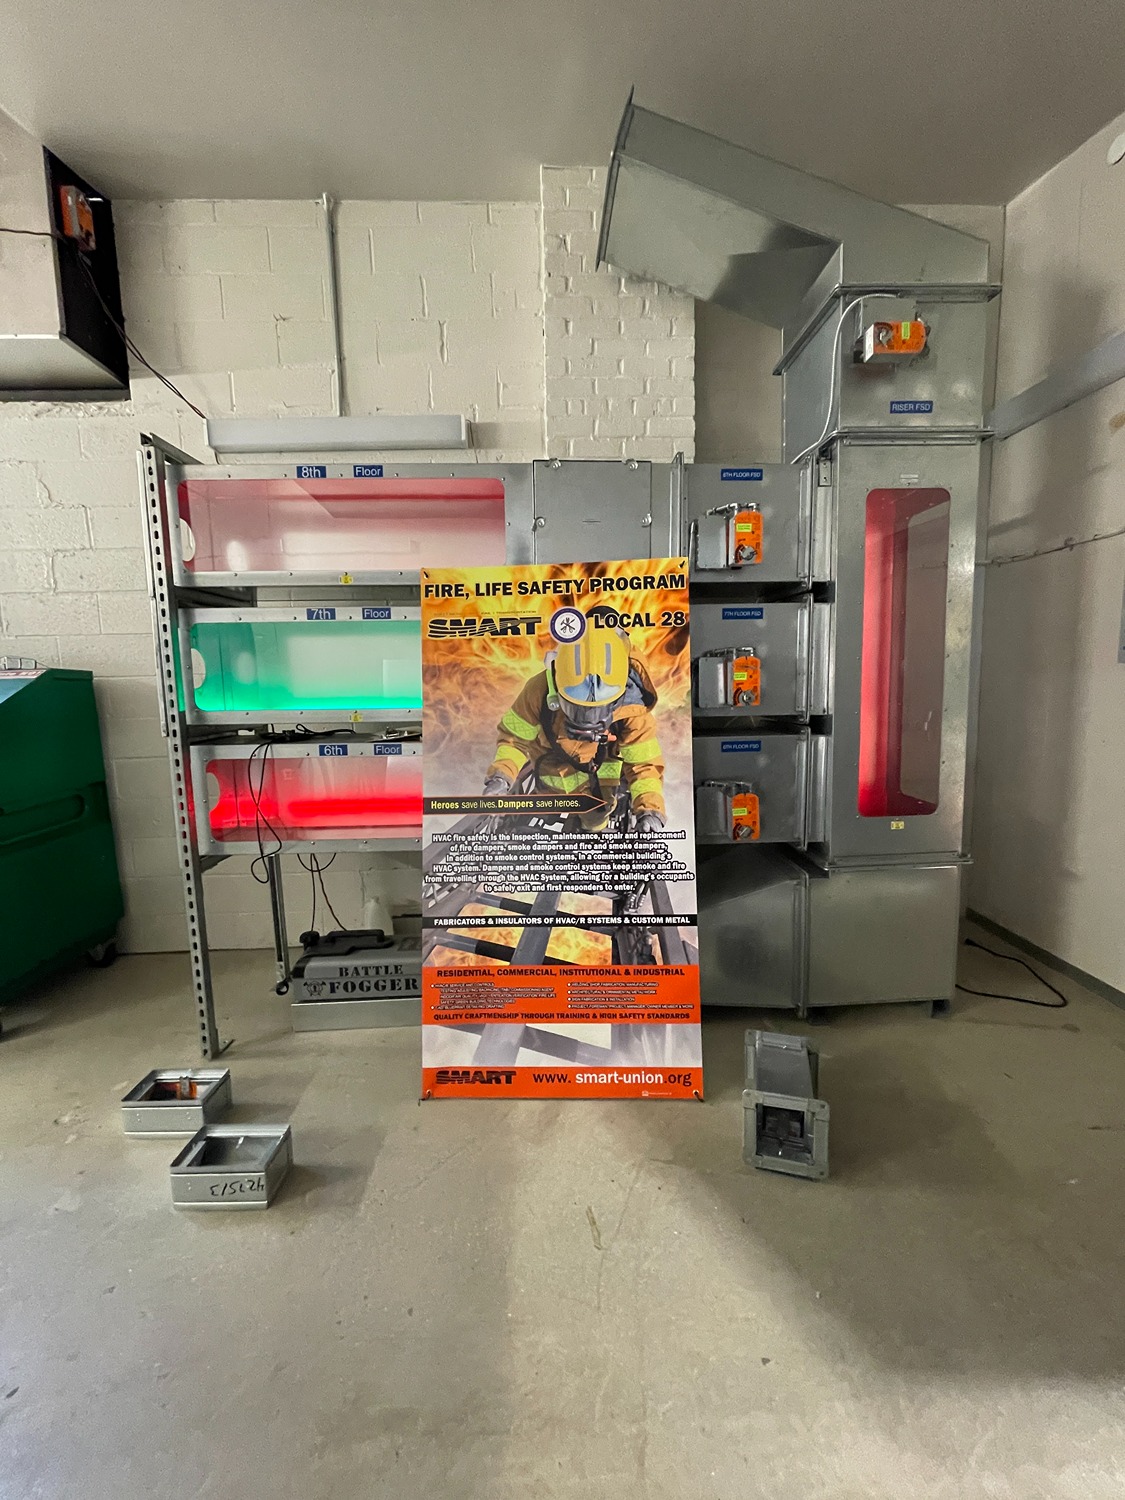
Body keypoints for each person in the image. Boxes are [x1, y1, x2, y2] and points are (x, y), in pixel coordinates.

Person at [483, 610, 665, 833]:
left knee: (594, 823)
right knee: (550, 812)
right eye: (576, 707)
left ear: (619, 696)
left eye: (598, 710)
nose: (587, 719)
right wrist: (500, 778)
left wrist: (650, 811)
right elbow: (514, 740)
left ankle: (591, 828)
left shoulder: (633, 710)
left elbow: (644, 765)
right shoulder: (539, 690)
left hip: (597, 794)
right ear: (558, 683)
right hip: (548, 783)